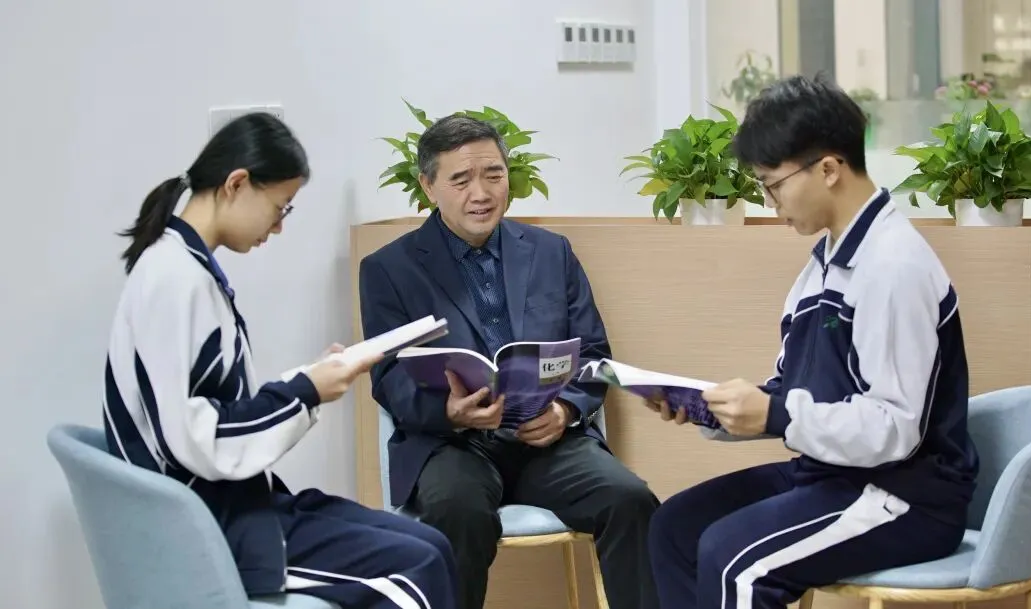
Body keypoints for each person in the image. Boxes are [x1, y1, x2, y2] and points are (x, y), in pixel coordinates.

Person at [645, 74, 980, 609]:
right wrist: (714, 410)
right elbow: (791, 392)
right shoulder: (823, 265)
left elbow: (894, 428)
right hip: (829, 475)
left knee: (736, 562)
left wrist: (776, 415)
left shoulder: (893, 266)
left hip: (904, 496)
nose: (769, 201)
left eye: (773, 184)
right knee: (675, 528)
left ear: (828, 169)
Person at [102, 112, 457, 609]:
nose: (279, 225)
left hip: (234, 501)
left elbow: (208, 409)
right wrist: (307, 392)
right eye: (279, 207)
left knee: (433, 545)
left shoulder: (183, 266)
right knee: (417, 566)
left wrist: (309, 380)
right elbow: (195, 436)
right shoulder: (175, 280)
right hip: (211, 528)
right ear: (236, 184)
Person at [359, 115, 660, 609]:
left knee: (630, 499)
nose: (481, 193)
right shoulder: (388, 270)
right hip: (453, 446)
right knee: (456, 511)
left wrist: (565, 410)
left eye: (493, 175)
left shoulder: (551, 252)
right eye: (461, 180)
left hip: (548, 441)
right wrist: (449, 413)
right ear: (429, 186)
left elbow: (593, 355)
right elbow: (389, 378)